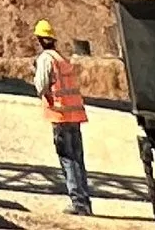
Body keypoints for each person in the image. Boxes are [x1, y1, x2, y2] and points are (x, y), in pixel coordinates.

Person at [35, 19, 92, 214]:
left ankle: (78, 203)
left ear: (40, 40)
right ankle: (85, 201)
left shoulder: (46, 59)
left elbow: (41, 85)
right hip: (74, 116)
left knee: (67, 159)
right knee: (77, 159)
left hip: (60, 116)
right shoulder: (62, 59)